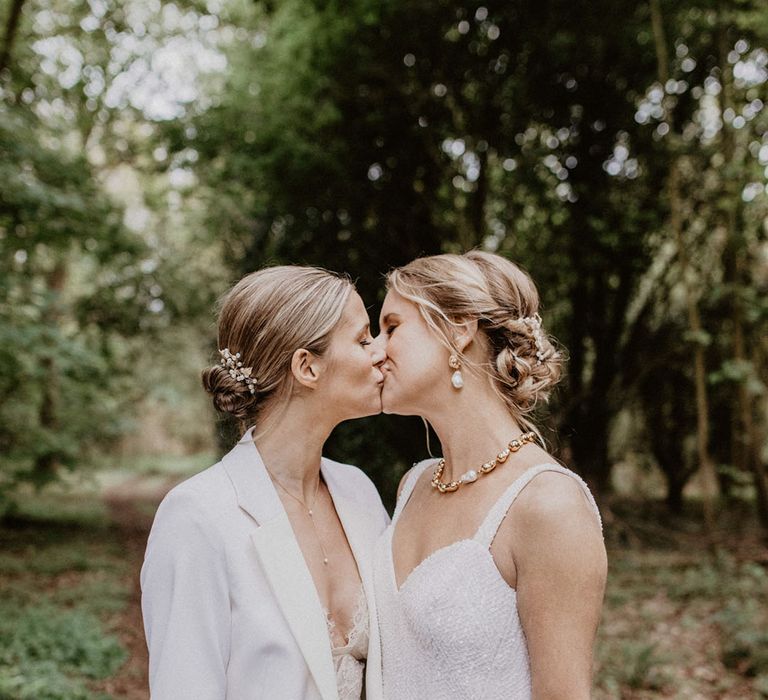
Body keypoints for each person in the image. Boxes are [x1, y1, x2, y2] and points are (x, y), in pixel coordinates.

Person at [141, 266, 389, 700]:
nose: (379, 354)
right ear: (307, 367)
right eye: (363, 340)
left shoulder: (359, 491)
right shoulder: (198, 516)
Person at [372, 251, 607, 700]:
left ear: (458, 328)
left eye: (392, 327)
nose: (376, 351)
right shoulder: (414, 484)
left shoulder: (548, 505)